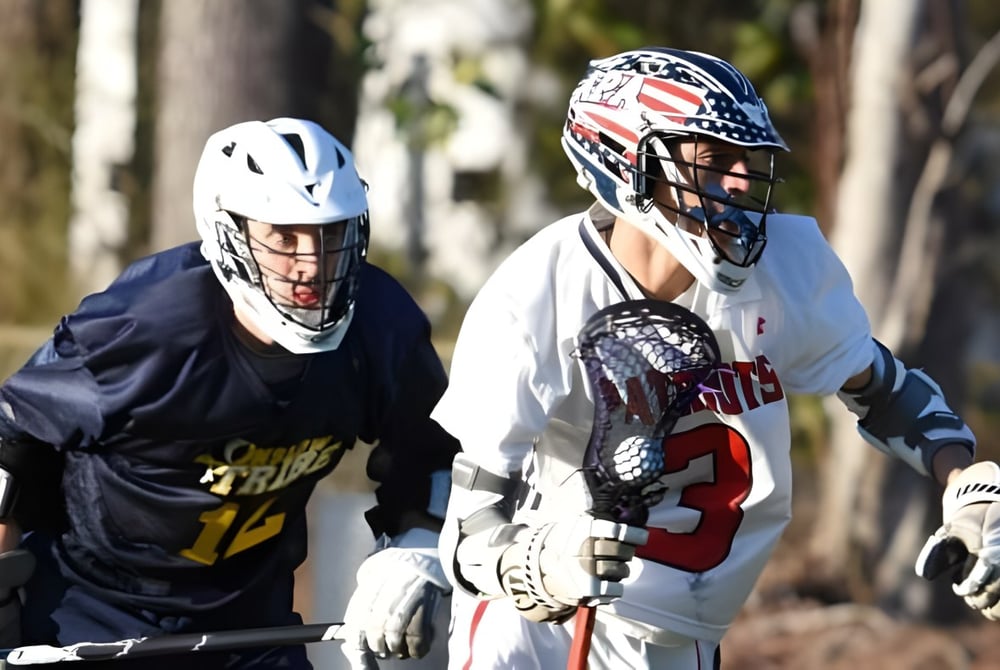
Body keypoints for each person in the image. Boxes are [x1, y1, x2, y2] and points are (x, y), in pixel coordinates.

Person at [431, 48, 1000, 669]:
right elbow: (465, 537)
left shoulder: (784, 269)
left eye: (747, 161)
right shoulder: (537, 294)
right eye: (715, 158)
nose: (740, 181)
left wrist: (969, 490)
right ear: (626, 160)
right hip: (540, 630)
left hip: (682, 637)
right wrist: (541, 566)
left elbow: (888, 394)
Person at [0, 117, 459, 669]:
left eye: (330, 235)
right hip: (94, 617)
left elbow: (436, 448)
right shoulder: (143, 329)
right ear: (226, 233)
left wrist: (417, 546)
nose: (312, 264)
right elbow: (12, 440)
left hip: (252, 624)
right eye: (284, 237)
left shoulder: (379, 325)